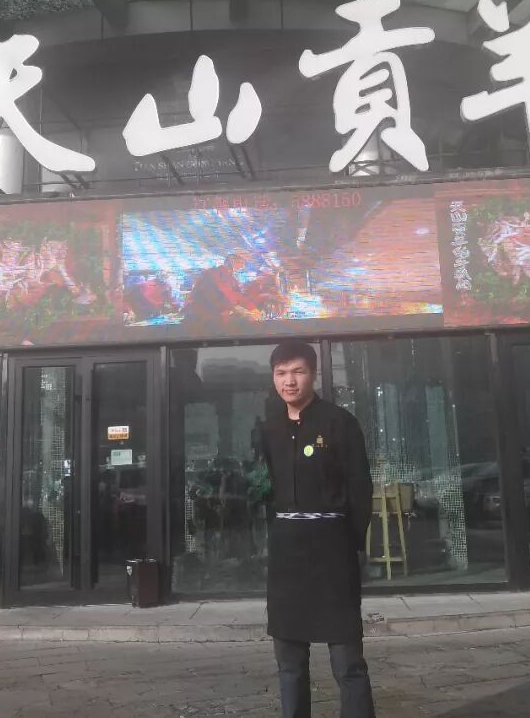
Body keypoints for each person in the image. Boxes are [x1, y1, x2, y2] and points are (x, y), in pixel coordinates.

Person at [258, 340, 376, 718]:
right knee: (289, 662)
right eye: (281, 373)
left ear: (313, 374)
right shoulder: (268, 427)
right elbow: (263, 486)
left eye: (298, 371)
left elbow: (360, 489)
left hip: (332, 553)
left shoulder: (340, 423)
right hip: (286, 557)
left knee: (347, 661)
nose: (289, 381)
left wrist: (350, 544)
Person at [182, 251, 261, 324]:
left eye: (244, 263)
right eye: (240, 262)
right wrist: (243, 311)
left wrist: (253, 309)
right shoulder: (214, 273)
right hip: (200, 317)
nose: (242, 266)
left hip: (212, 316)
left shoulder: (232, 279)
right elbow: (225, 294)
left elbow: (238, 296)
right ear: (231, 260)